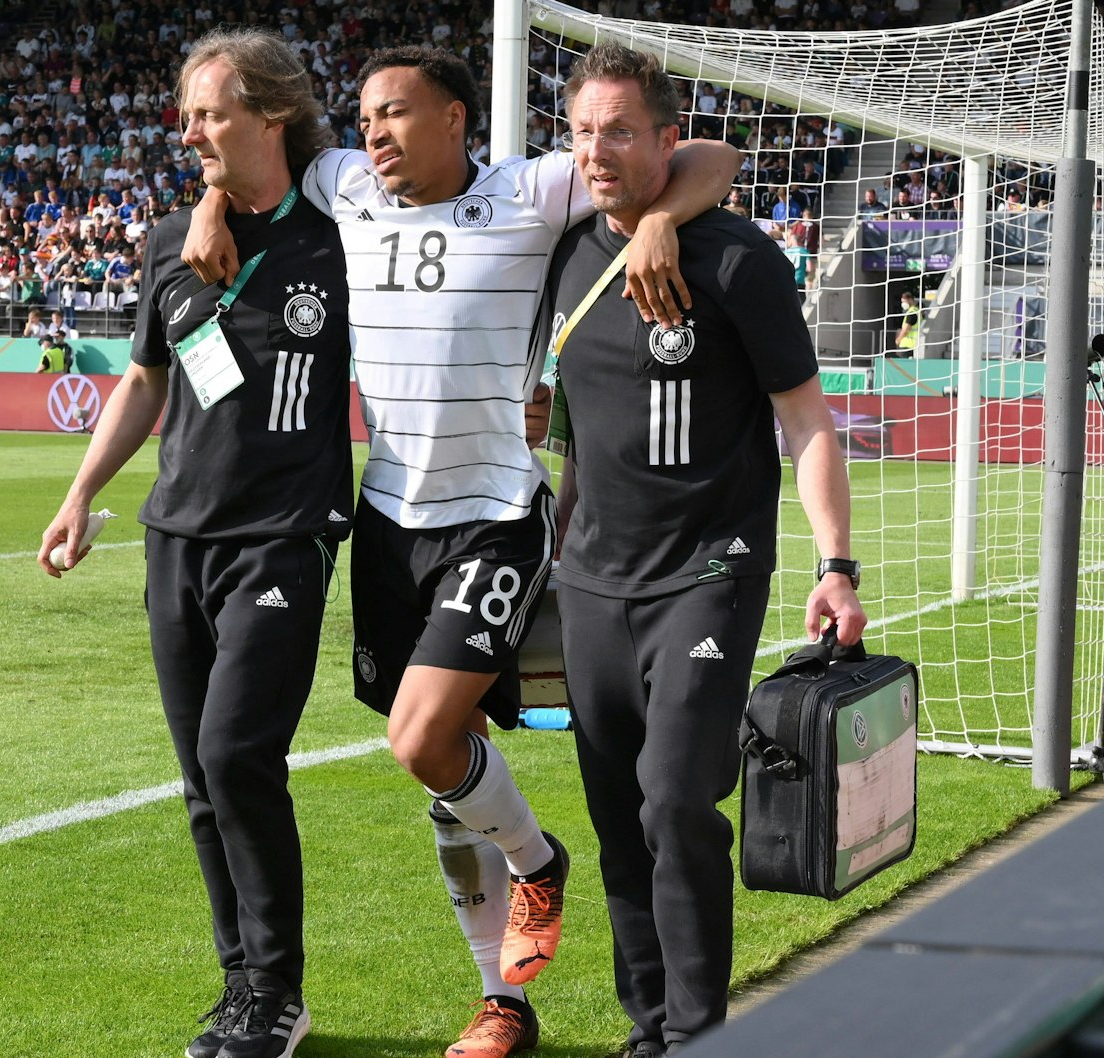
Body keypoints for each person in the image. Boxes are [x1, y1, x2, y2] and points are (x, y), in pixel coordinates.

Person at [185, 43, 738, 1058]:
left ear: (454, 120)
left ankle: (535, 856)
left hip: (490, 513)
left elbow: (708, 156)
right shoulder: (340, 183)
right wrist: (209, 204)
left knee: (420, 736)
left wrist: (658, 218)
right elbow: (250, 163)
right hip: (386, 521)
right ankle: (503, 1002)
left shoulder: (529, 192)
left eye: (396, 113)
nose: (375, 135)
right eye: (364, 117)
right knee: (441, 765)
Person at [535, 44, 867, 1056]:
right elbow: (565, 440)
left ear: (666, 139)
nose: (597, 150)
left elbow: (806, 420)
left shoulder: (733, 259)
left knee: (677, 800)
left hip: (708, 574)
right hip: (590, 579)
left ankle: (694, 1030)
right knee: (616, 822)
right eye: (583, 130)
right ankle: (648, 1027)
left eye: (621, 130)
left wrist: (835, 564)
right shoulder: (562, 253)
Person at [38, 29, 352, 1058]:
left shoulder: (346, 230)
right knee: (199, 778)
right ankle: (239, 992)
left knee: (235, 752)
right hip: (177, 535)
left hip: (284, 535)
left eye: (210, 112)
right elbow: (147, 378)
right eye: (187, 114)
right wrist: (82, 493)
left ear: (271, 114)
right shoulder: (173, 233)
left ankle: (279, 989)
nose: (191, 131)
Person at [893, 289, 922, 355]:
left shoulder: (911, 313)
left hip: (907, 345)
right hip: (915, 344)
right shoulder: (917, 311)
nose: (903, 304)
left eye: (904, 302)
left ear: (910, 300)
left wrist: (898, 339)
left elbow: (906, 329)